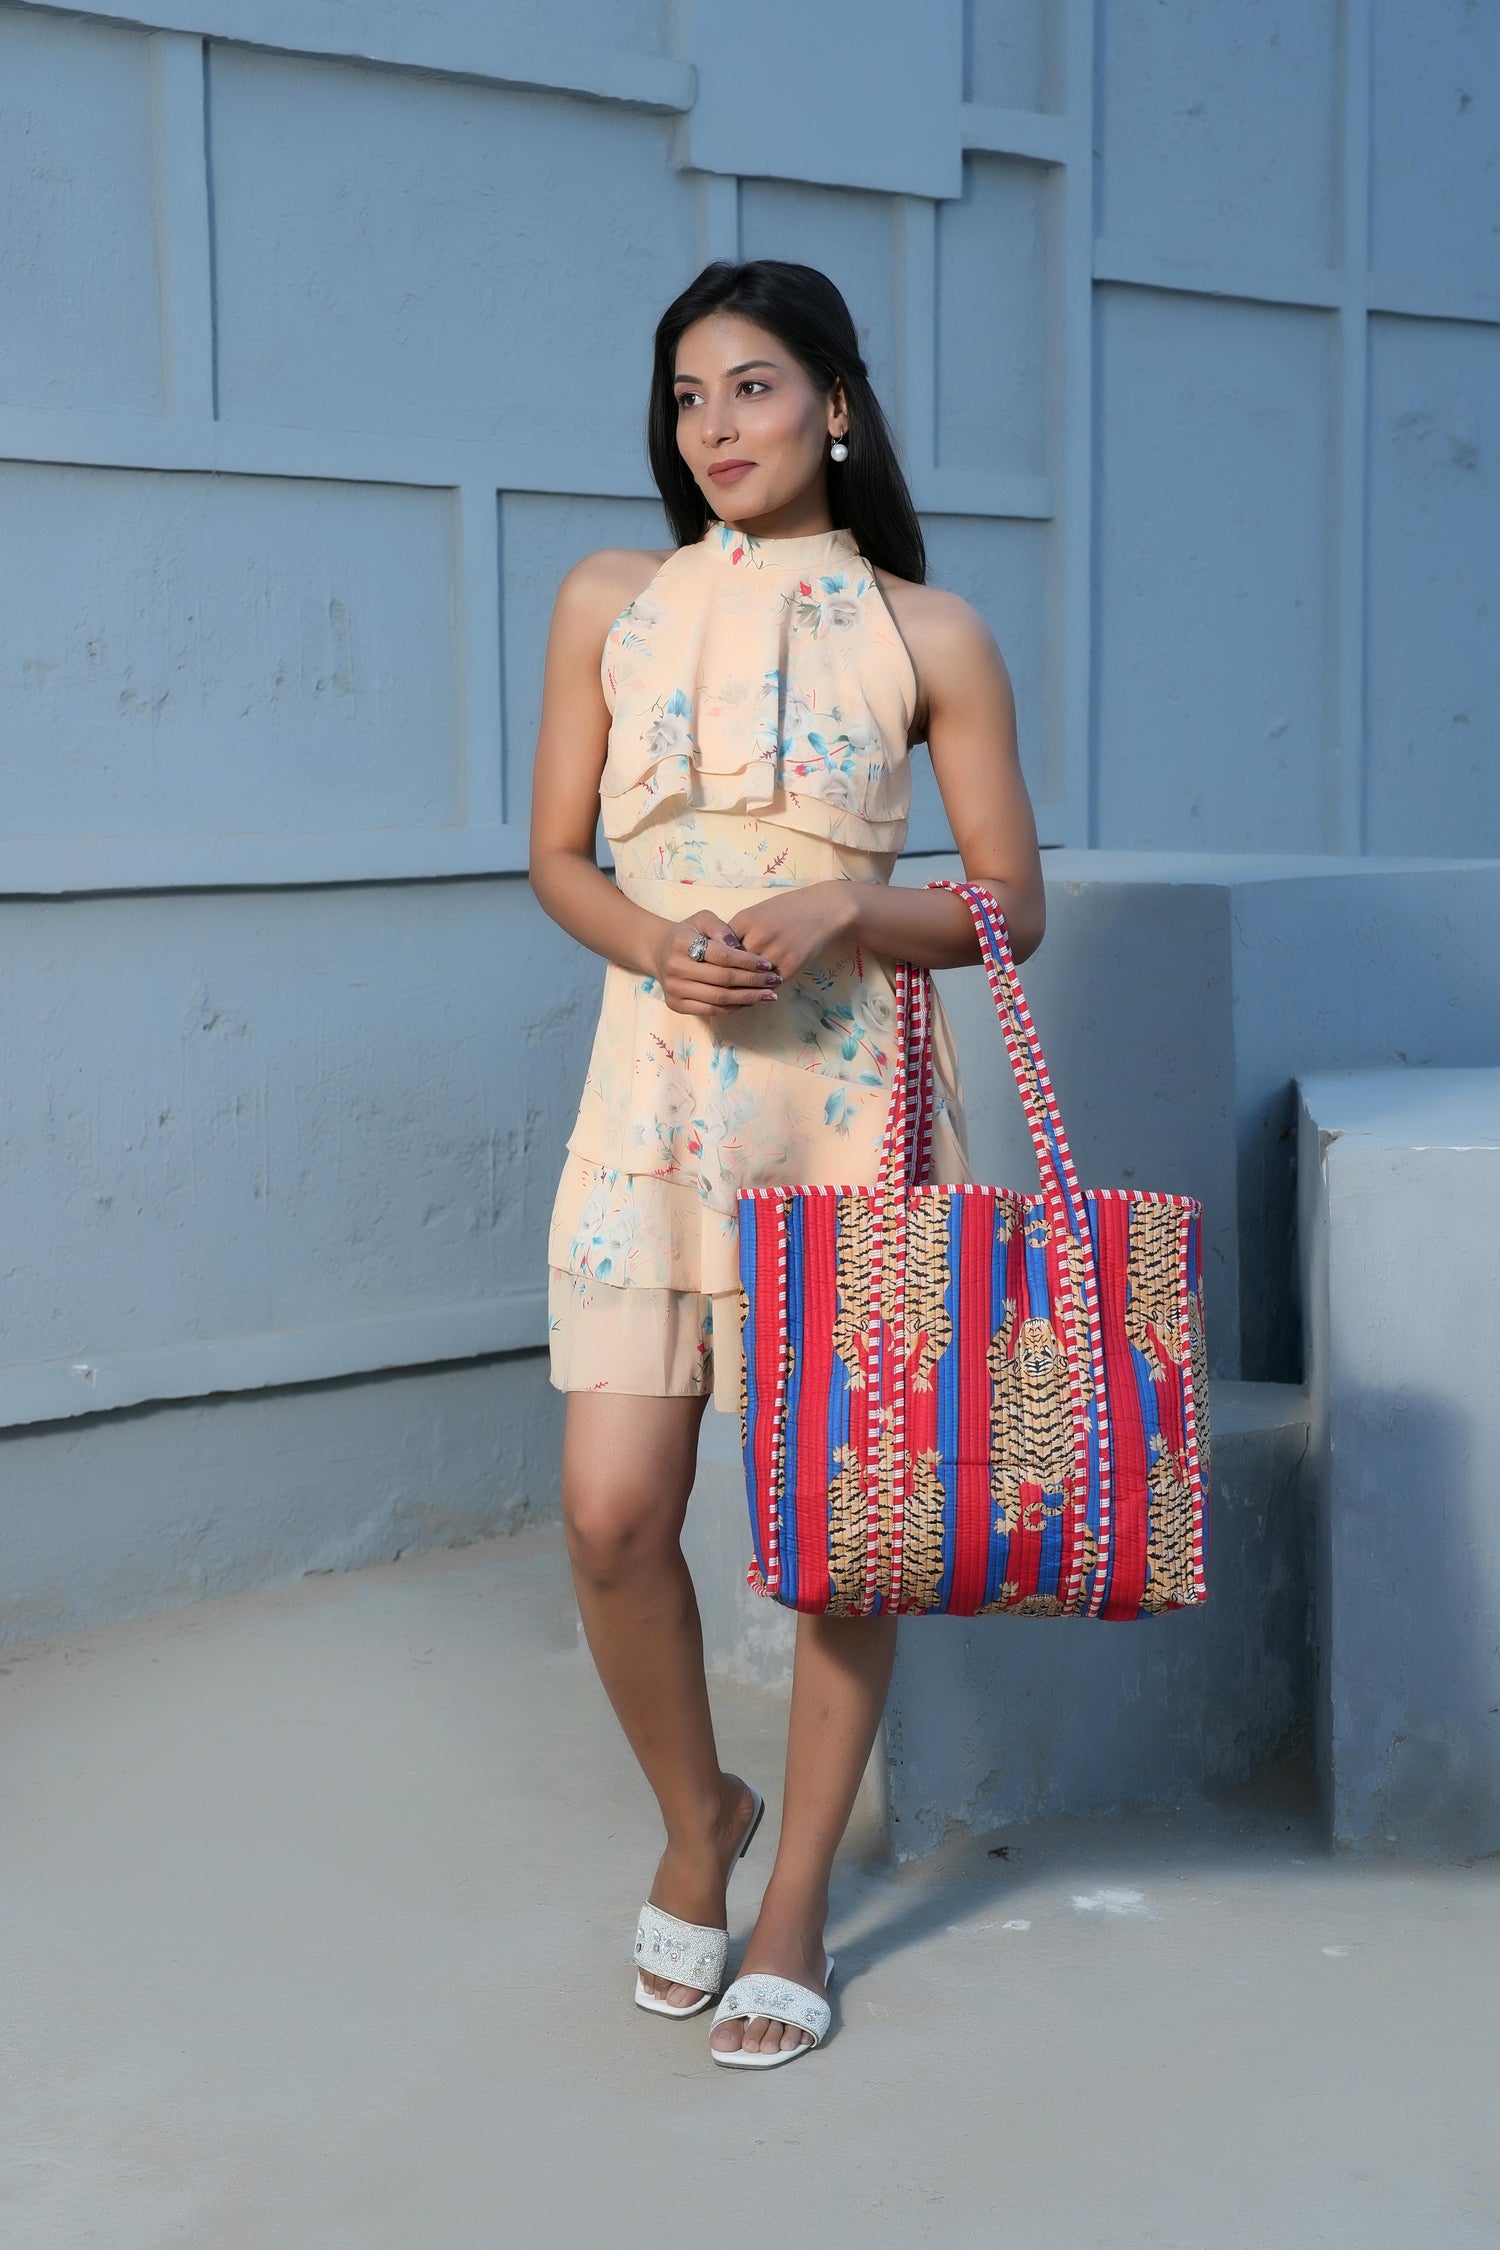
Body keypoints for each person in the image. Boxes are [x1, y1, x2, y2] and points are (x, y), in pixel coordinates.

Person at [527, 258, 1045, 2068]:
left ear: (833, 404)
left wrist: (850, 905)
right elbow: (561, 858)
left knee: (846, 1533)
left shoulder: (930, 631)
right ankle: (703, 1820)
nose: (714, 425)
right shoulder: (611, 598)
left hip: (849, 1114)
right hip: (653, 1109)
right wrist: (654, 940)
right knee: (611, 1513)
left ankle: (801, 1896)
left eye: (751, 386)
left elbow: (1012, 907)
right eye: (687, 396)